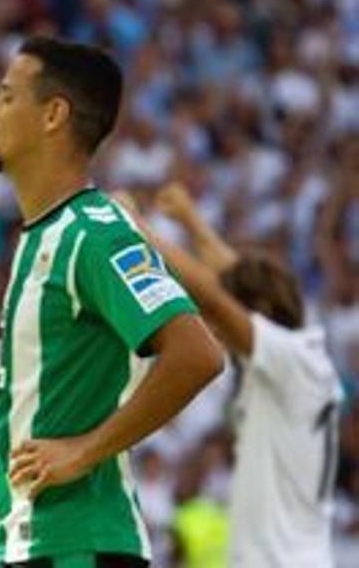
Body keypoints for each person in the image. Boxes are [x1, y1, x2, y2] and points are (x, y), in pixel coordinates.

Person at [0, 37, 224, 567]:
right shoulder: (44, 236)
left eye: (6, 96)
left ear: (53, 115)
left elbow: (197, 353)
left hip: (74, 545)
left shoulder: (94, 233)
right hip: (27, 544)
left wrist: (83, 451)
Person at [120, 182, 342, 568]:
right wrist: (192, 223)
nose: (218, 330)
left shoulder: (295, 361)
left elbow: (215, 298)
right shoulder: (299, 357)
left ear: (259, 309)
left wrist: (133, 227)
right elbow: (240, 282)